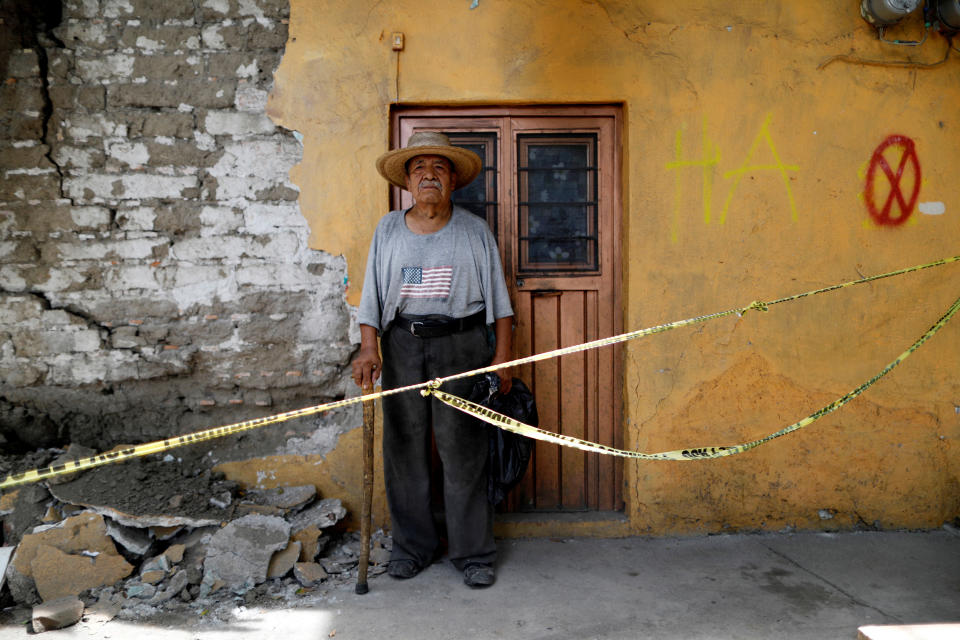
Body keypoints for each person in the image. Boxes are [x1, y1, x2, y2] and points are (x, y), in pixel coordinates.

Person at [352, 131, 514, 588]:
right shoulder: (387, 229)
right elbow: (371, 297)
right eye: (419, 168)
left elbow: (501, 305)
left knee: (463, 450)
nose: (428, 175)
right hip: (402, 345)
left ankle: (473, 553)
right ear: (406, 181)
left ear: (453, 182)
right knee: (404, 448)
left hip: (462, 345)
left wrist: (501, 359)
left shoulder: (474, 230)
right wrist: (370, 346)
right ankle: (412, 548)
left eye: (439, 168)